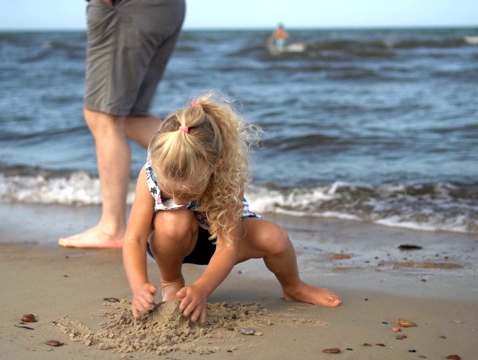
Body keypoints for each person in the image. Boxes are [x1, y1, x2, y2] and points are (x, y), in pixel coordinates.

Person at [123, 92, 342, 324]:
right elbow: (134, 239)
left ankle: (294, 287)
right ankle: (172, 284)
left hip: (220, 241)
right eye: (169, 191)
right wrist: (138, 286)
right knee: (173, 218)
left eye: (187, 193)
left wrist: (203, 289)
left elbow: (228, 246)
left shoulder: (226, 179)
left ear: (215, 167)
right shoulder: (150, 175)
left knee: (275, 237)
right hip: (171, 242)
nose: (176, 198)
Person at [59, 0, 186, 248]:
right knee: (131, 116)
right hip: (166, 9)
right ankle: (213, 180)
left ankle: (112, 228)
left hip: (126, 8)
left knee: (103, 116)